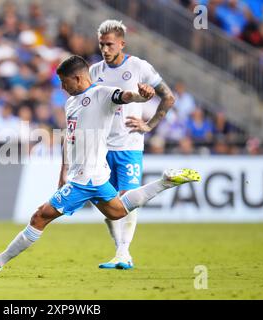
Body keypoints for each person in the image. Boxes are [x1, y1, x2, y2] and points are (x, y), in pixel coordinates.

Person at [0, 55, 200, 275]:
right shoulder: (71, 102)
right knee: (117, 211)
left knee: (39, 216)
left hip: (86, 178)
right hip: (92, 175)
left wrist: (143, 95)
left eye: (64, 82)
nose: (62, 87)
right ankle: (165, 182)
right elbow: (68, 137)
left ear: (78, 78)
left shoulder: (102, 94)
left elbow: (127, 96)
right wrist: (63, 169)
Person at [89, 20, 176, 270]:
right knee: (106, 204)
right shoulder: (95, 71)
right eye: (101, 44)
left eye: (109, 45)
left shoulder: (138, 66)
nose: (105, 49)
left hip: (128, 146)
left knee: (127, 198)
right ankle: (121, 252)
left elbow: (169, 97)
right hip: (102, 148)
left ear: (122, 44)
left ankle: (123, 253)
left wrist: (149, 125)